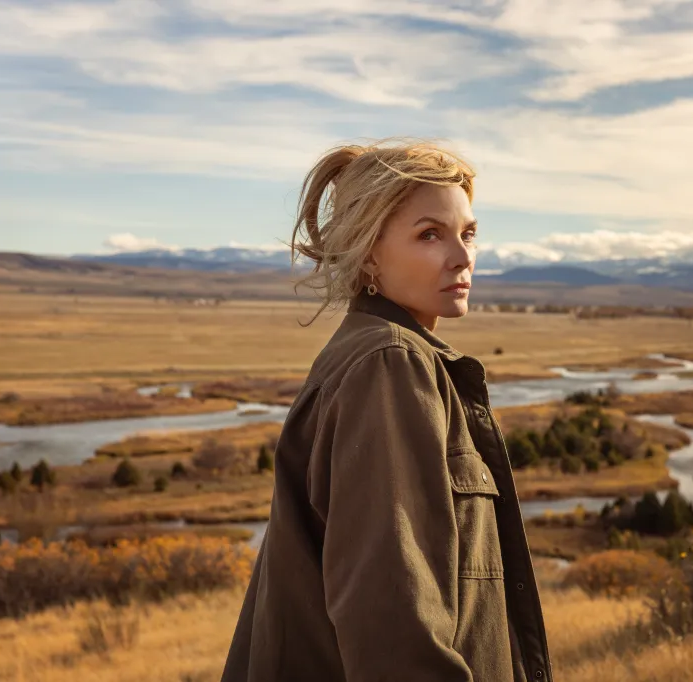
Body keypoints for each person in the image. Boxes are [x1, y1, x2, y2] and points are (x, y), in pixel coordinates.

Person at [220, 140, 553, 682]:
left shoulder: (381, 351)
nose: (462, 256)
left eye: (468, 233)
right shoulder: (390, 364)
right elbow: (395, 625)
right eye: (429, 235)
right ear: (369, 252)